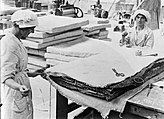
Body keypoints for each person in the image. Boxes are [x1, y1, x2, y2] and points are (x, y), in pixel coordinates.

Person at [1, 10, 45, 119]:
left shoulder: (17, 41)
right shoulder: (8, 44)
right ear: (19, 27)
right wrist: (19, 87)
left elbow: (17, 68)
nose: (32, 31)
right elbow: (5, 77)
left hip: (21, 89)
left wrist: (31, 73)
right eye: (30, 28)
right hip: (14, 92)